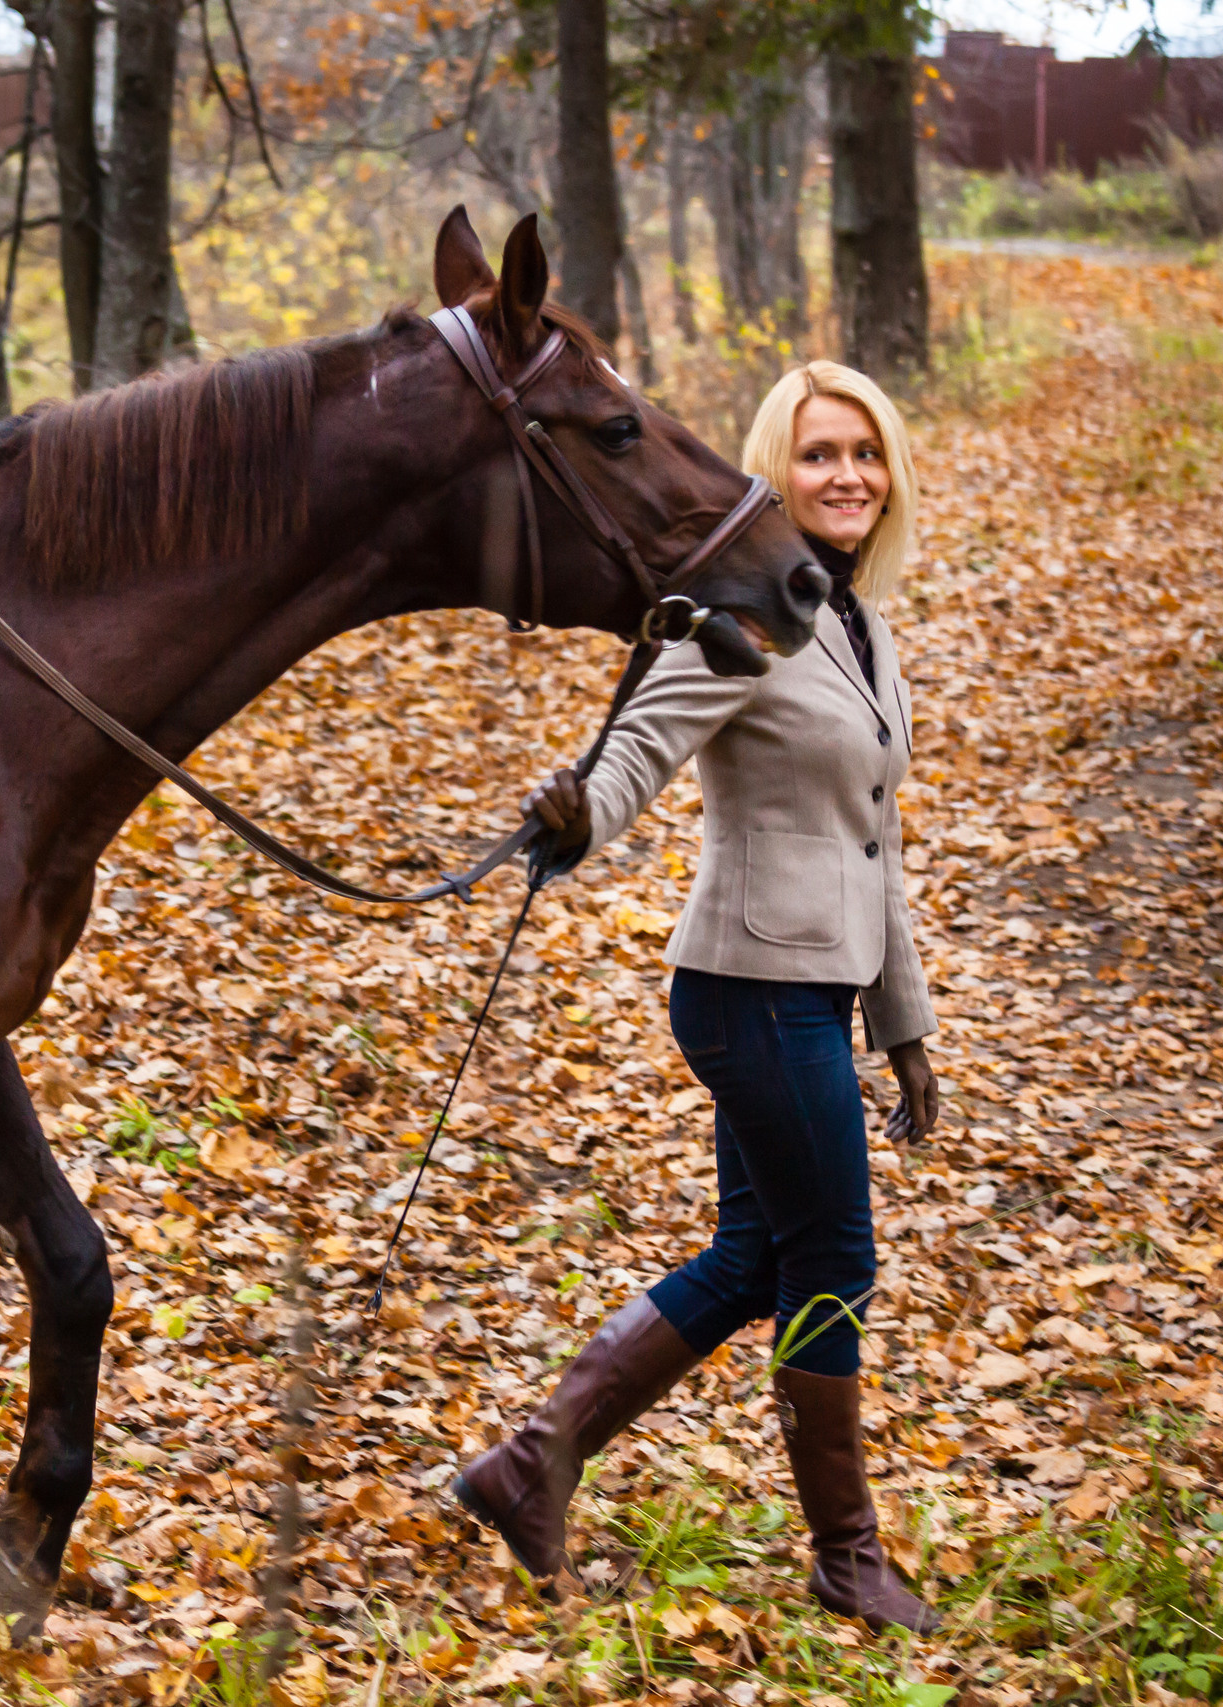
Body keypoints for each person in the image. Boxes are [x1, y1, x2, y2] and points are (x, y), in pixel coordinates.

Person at [454, 360, 942, 1635]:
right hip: (747, 987)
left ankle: (529, 1468)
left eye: (864, 453)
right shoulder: (747, 613)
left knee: (754, 1254)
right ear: (772, 470)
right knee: (830, 1254)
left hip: (813, 997)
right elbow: (638, 750)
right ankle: (846, 1555)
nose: (846, 476)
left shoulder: (856, 625)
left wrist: (904, 1032)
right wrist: (573, 817)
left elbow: (875, 841)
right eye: (819, 453)